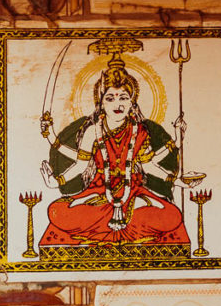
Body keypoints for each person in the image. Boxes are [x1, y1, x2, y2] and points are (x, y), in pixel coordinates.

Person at [39, 51, 190, 246]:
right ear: (101, 103)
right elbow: (80, 165)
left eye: (123, 98)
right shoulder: (93, 130)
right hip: (99, 194)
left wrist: (178, 181)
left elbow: (150, 166)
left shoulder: (139, 131)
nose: (117, 104)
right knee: (58, 212)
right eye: (110, 98)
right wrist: (56, 181)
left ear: (132, 102)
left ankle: (119, 220)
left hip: (134, 195)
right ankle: (116, 223)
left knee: (172, 216)